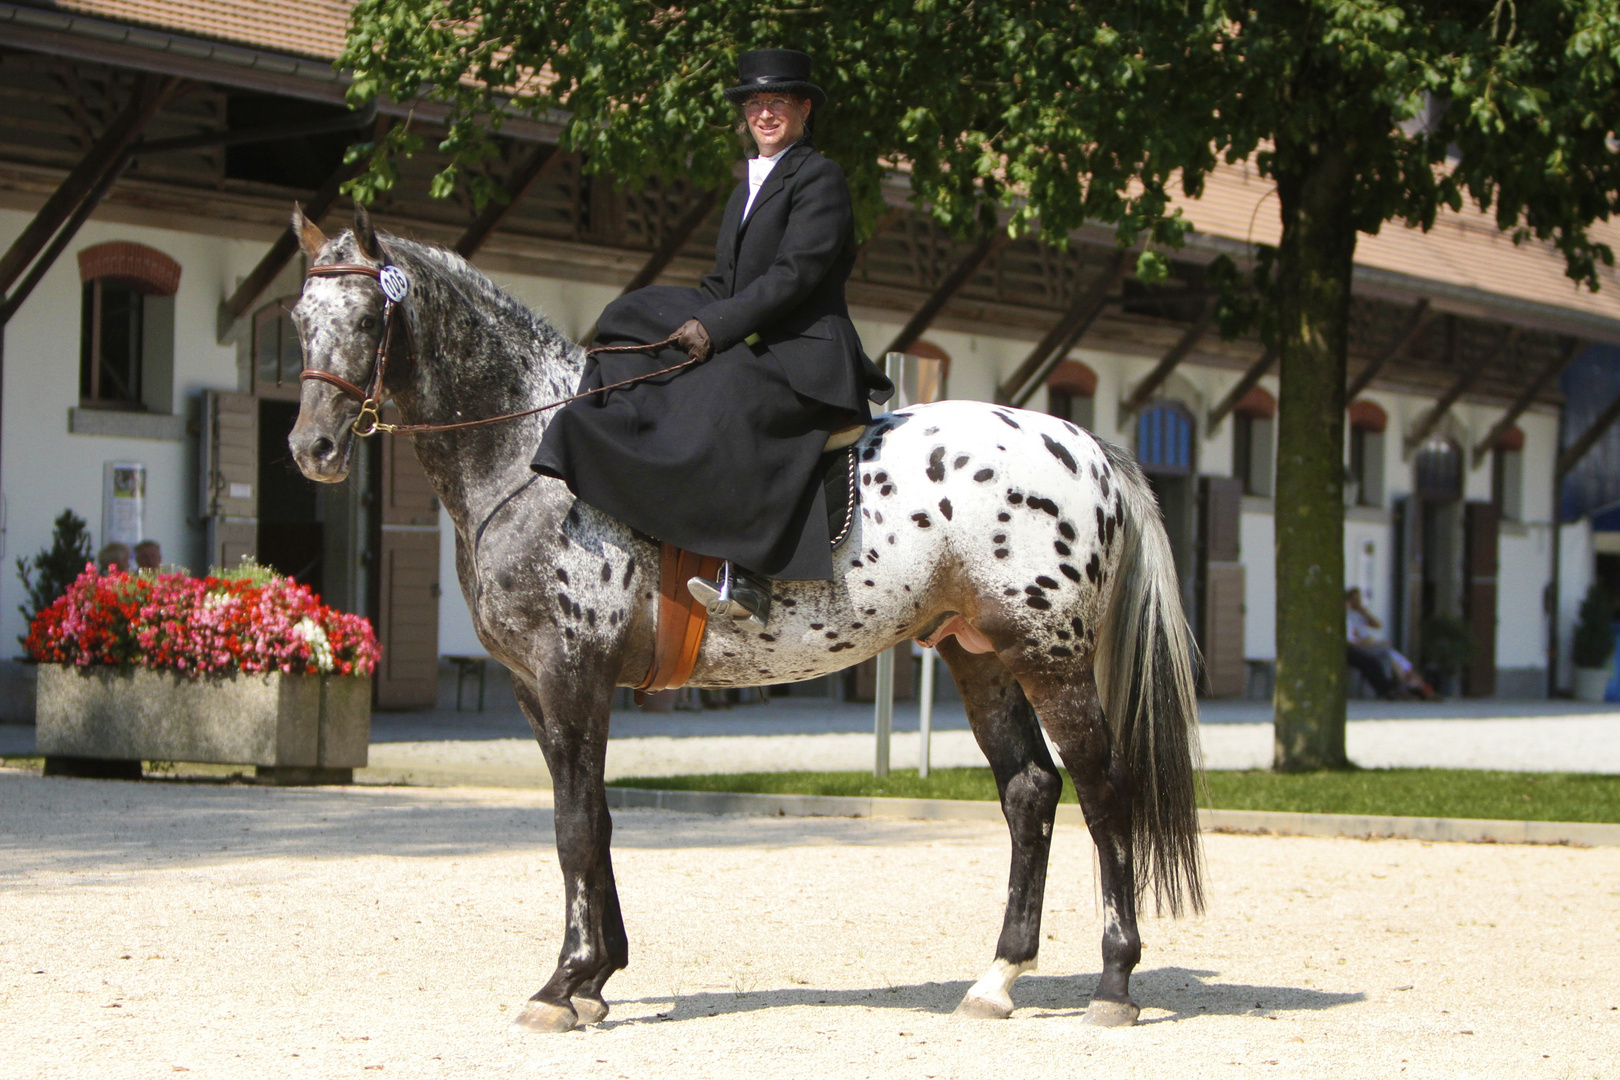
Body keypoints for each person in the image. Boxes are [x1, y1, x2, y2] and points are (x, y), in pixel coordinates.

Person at [533, 49, 892, 629]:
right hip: (756, 336)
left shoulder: (820, 178)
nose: (765, 113)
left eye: (777, 102)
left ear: (803, 108)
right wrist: (677, 320)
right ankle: (598, 441)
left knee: (724, 392)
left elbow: (795, 275)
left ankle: (748, 574)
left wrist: (716, 326)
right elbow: (723, 282)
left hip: (804, 351)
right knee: (627, 314)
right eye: (755, 104)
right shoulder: (745, 186)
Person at [1346, 587, 1435, 699]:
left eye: (1359, 599)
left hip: (1370, 644)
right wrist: (1375, 645)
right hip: (1363, 647)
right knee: (1389, 654)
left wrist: (1364, 612)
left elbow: (1377, 625)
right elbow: (1353, 640)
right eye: (1354, 599)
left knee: (1397, 658)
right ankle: (1408, 687)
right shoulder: (1347, 616)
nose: (1357, 602)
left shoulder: (1360, 614)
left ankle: (1418, 687)